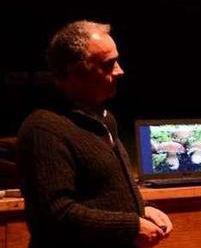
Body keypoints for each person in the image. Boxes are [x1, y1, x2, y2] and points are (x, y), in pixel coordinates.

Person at [16, 20, 173, 248]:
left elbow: (99, 192)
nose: (120, 71)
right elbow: (54, 214)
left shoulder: (104, 118)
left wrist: (141, 209)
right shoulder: (44, 129)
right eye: (109, 65)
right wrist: (130, 226)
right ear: (76, 72)